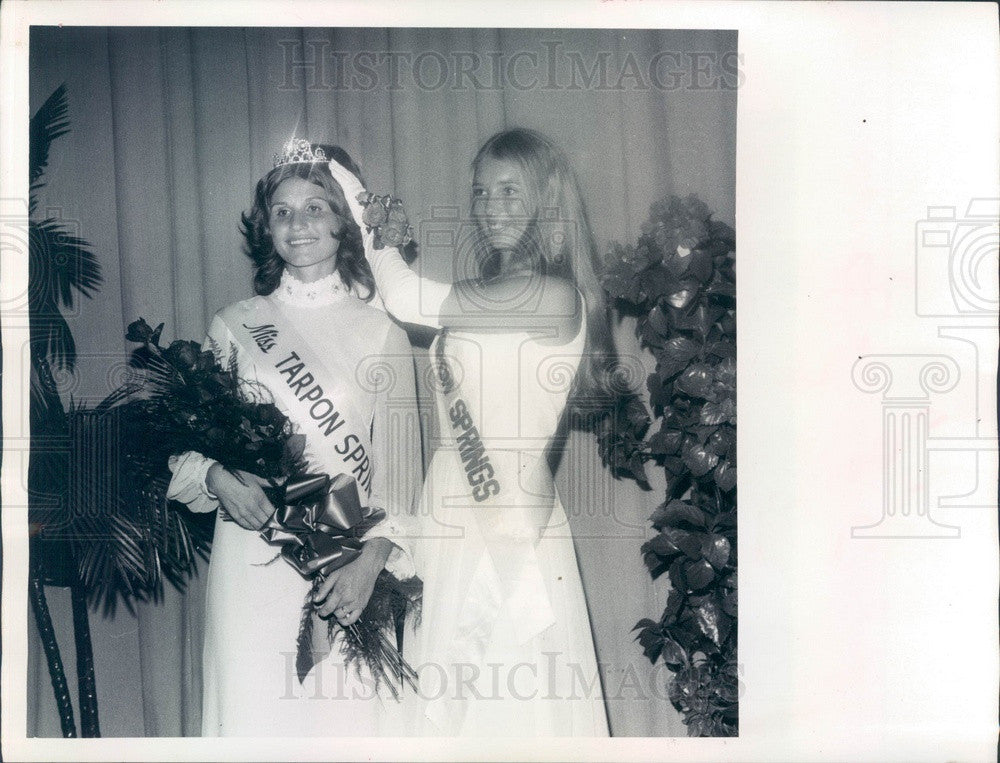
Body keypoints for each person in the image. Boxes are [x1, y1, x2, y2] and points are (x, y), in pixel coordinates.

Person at [330, 127, 614, 736]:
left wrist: (361, 204)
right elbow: (397, 301)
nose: (490, 208)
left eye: (511, 192)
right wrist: (387, 245)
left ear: (547, 201)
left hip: (505, 523)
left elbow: (406, 299)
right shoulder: (490, 292)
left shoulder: (553, 293)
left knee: (495, 704)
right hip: (451, 516)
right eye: (482, 192)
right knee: (451, 704)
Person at [166, 140, 421, 737]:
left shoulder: (382, 332)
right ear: (266, 228)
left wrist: (369, 564)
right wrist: (217, 479)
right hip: (250, 555)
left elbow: (405, 483)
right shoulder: (234, 323)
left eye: (315, 207)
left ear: (344, 222)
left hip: (344, 571)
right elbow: (186, 445)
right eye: (282, 211)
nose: (297, 224)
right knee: (253, 719)